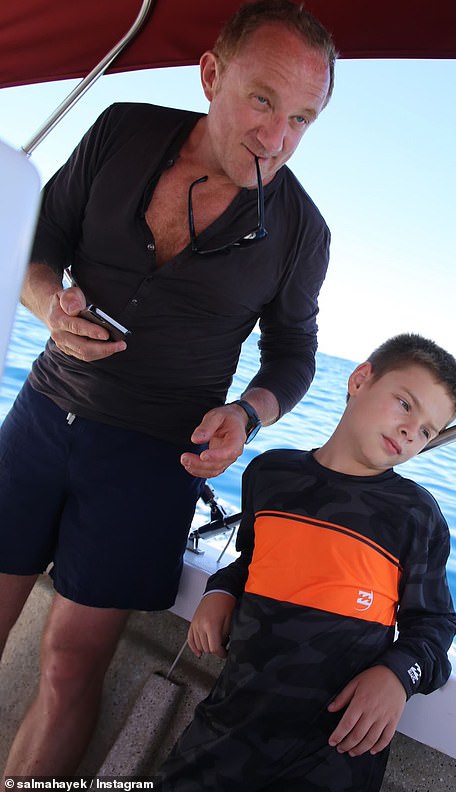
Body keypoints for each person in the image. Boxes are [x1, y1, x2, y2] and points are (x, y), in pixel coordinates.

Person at [0, 0, 337, 777]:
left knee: (68, 665)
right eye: (262, 100)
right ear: (212, 75)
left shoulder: (304, 233)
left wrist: (247, 415)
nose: (277, 138)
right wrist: (49, 303)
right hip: (42, 414)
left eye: (302, 119)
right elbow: (35, 244)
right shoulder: (121, 129)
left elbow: (293, 356)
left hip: (154, 461)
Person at [158, 332, 456, 792]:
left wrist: (397, 676)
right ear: (361, 379)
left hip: (331, 756)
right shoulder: (270, 473)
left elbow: (435, 625)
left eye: (427, 430)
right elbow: (253, 561)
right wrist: (221, 591)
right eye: (405, 404)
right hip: (227, 728)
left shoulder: (415, 515)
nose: (411, 432)